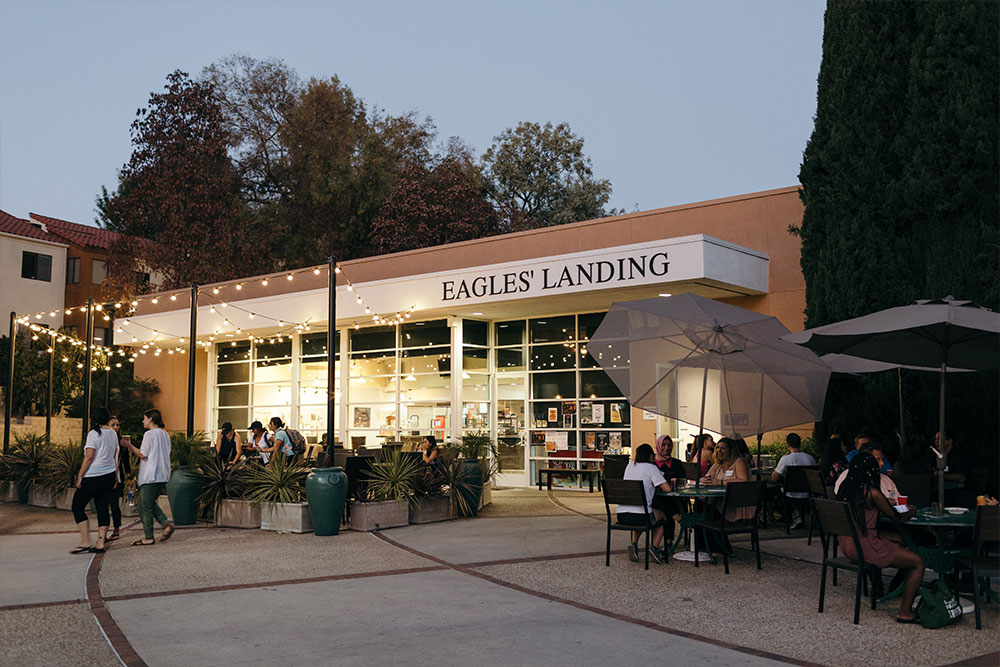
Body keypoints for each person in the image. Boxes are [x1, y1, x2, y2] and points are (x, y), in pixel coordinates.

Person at [836, 452, 925, 623]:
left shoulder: (845, 487)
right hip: (864, 545)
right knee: (917, 562)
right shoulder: (871, 492)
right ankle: (905, 612)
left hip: (847, 543)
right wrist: (911, 510)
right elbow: (897, 517)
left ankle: (886, 587)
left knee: (896, 539)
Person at [70, 407, 120, 554]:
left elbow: (89, 457)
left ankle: (86, 541)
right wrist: (116, 476)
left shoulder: (93, 434)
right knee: (102, 508)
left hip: (93, 476)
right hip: (109, 475)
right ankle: (100, 542)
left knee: (77, 506)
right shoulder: (112, 433)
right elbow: (115, 456)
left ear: (95, 419)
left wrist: (80, 476)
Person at [122, 409, 174, 546]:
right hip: (163, 474)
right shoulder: (165, 435)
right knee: (148, 503)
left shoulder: (149, 434)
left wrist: (128, 445)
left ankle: (149, 536)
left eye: (144, 418)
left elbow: (142, 454)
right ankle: (165, 525)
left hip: (150, 474)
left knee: (145, 505)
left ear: (150, 419)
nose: (142, 421)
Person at [619, 443, 674, 564]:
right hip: (641, 516)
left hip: (622, 515)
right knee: (663, 516)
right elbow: (667, 489)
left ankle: (634, 544)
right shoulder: (651, 468)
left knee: (642, 513)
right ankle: (654, 547)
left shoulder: (629, 466)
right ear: (650, 456)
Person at [770, 433, 816, 529]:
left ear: (787, 444)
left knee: (769, 494)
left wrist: (776, 471)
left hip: (790, 493)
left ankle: (793, 517)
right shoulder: (809, 458)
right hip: (807, 492)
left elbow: (774, 479)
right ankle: (794, 517)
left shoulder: (786, 459)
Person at [650, 435, 684, 543]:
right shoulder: (652, 464)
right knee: (662, 504)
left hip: (675, 498)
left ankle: (668, 542)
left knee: (666, 505)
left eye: (669, 445)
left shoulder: (677, 463)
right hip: (657, 500)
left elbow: (682, 479)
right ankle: (675, 517)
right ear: (658, 446)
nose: (666, 448)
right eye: (663, 445)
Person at [107, 416, 132, 542]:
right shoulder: (103, 440)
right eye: (113, 425)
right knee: (103, 505)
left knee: (114, 505)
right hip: (103, 477)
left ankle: (116, 529)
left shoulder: (121, 442)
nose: (116, 427)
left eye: (117, 424)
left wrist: (129, 477)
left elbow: (126, 462)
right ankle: (104, 531)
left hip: (117, 478)